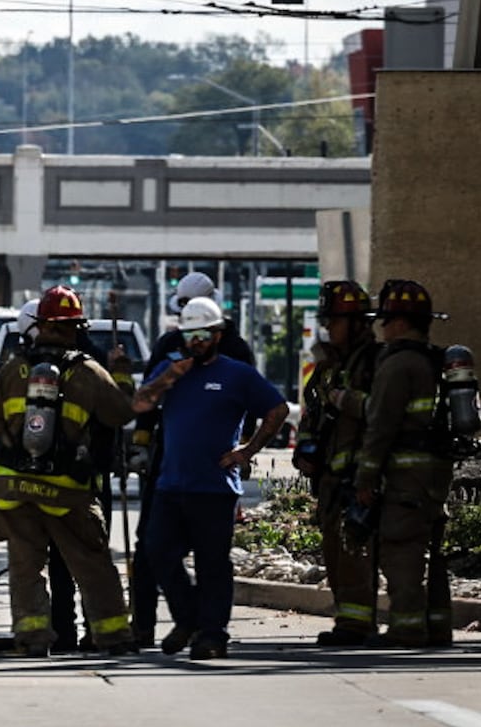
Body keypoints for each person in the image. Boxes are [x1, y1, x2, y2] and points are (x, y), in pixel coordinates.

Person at [0, 285, 138, 657]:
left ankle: (33, 639)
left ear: (40, 325)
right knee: (92, 565)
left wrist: (12, 438)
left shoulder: (13, 368)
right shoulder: (87, 371)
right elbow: (120, 414)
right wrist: (122, 374)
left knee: (25, 569)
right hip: (66, 490)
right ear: (76, 328)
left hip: (14, 488)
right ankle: (112, 637)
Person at [132, 295, 288, 660]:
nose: (195, 342)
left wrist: (247, 452)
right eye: (189, 335)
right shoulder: (172, 371)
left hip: (215, 488)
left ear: (217, 334)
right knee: (157, 553)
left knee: (212, 564)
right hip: (170, 485)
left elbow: (277, 409)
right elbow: (140, 404)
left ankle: (212, 635)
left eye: (202, 334)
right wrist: (168, 376)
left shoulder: (237, 374)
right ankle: (188, 619)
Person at [127, 271, 255, 647]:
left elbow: (258, 405)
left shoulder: (235, 350)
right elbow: (147, 400)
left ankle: (206, 629)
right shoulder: (170, 344)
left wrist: (244, 448)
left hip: (215, 466)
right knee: (152, 547)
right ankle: (148, 625)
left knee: (210, 555)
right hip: (169, 459)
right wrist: (141, 441)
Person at [352, 279, 454, 647]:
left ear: (400, 322)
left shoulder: (398, 365)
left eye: (385, 319)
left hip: (405, 476)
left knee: (402, 549)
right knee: (433, 552)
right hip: (437, 474)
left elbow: (381, 426)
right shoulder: (436, 359)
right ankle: (438, 626)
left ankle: (407, 628)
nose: (381, 326)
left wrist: (366, 477)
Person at [294, 280, 382, 646]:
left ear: (359, 323)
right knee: (334, 550)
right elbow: (311, 414)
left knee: (354, 552)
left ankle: (357, 625)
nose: (329, 328)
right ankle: (347, 618)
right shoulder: (326, 366)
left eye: (336, 321)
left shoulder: (376, 363)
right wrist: (305, 449)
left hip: (358, 473)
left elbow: (382, 412)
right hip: (329, 475)